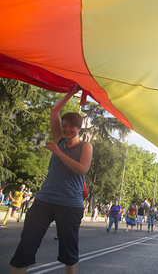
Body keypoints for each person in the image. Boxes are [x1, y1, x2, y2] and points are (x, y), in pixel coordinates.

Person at [9, 85, 92, 274]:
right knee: (26, 245)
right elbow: (54, 110)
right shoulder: (59, 139)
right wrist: (72, 92)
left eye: (71, 126)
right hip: (45, 200)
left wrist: (57, 152)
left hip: (70, 204)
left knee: (69, 252)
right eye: (64, 126)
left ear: (79, 128)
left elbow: (82, 170)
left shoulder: (86, 146)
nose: (67, 129)